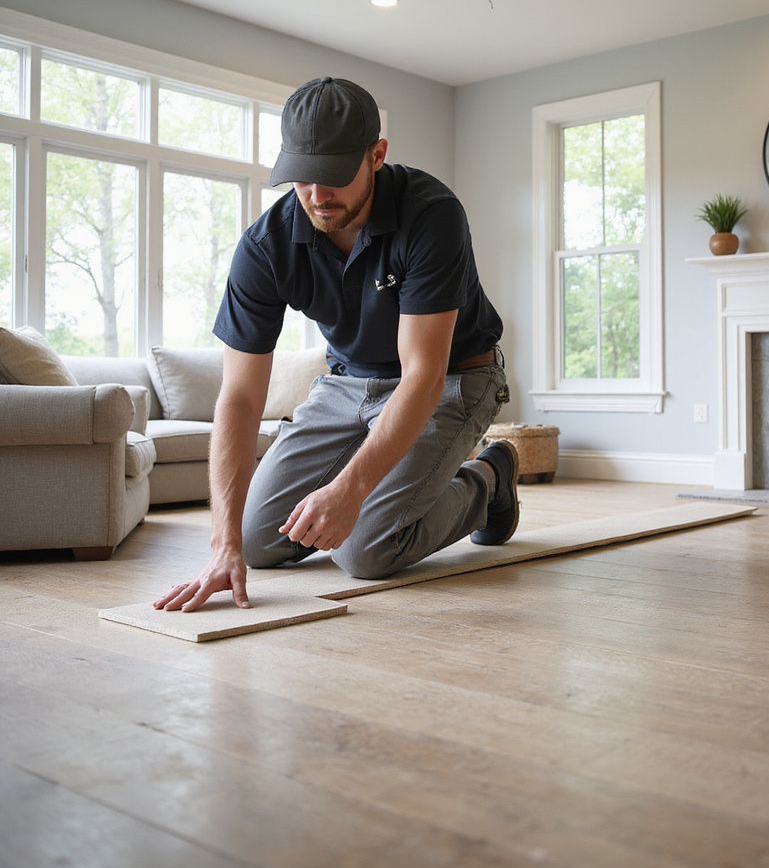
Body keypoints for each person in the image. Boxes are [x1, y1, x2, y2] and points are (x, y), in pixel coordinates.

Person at [154, 77, 517, 613]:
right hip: (347, 383)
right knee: (257, 541)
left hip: (455, 376)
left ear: (376, 156)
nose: (318, 196)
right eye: (302, 178)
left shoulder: (431, 213)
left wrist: (349, 492)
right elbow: (239, 397)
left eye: (333, 177)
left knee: (365, 550)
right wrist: (223, 544)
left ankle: (490, 478)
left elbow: (422, 375)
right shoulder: (264, 247)